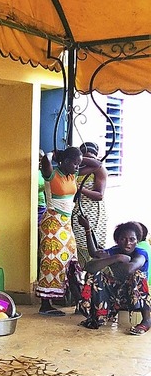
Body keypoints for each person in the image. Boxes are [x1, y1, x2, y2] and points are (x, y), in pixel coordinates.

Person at [36, 147, 101, 316]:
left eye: (79, 164)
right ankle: (45, 304)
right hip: (52, 222)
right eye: (74, 163)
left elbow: (97, 165)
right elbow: (45, 161)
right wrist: (54, 154)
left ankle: (80, 301)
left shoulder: (72, 174)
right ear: (64, 162)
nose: (78, 167)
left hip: (65, 224)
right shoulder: (51, 174)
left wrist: (78, 158)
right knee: (51, 260)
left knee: (70, 260)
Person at [77, 217, 151, 335]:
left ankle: (147, 320)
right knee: (95, 274)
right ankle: (97, 317)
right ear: (117, 240)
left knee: (137, 275)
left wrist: (110, 260)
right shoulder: (114, 251)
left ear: (137, 241)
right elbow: (89, 266)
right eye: (123, 239)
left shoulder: (140, 253)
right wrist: (117, 258)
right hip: (114, 296)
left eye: (132, 239)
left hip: (132, 296)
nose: (128, 243)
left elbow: (130, 269)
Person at [71, 142, 108, 266]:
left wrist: (80, 189)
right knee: (77, 243)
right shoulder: (76, 169)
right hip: (77, 210)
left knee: (92, 244)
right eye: (85, 157)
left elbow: (99, 195)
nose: (89, 160)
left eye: (91, 157)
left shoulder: (99, 169)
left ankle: (91, 277)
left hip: (93, 212)